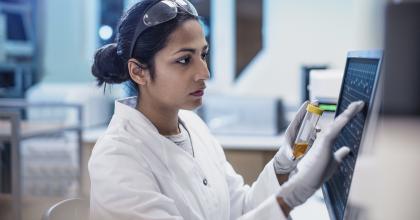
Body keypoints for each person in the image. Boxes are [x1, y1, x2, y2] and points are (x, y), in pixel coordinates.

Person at [88, 0, 365, 219]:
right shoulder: (117, 157)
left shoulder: (192, 126)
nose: (204, 72)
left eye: (203, 55)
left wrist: (284, 164)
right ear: (138, 72)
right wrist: (288, 199)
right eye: (184, 60)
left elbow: (240, 209)